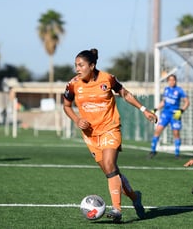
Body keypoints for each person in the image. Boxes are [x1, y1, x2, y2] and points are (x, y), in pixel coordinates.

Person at [63, 48, 158, 223]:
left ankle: (117, 210)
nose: (77, 68)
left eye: (81, 65)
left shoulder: (107, 78)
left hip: (110, 127)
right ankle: (134, 196)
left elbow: (125, 94)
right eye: (76, 65)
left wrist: (144, 110)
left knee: (110, 164)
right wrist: (77, 120)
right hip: (90, 135)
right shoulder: (73, 84)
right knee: (111, 172)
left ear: (92, 66)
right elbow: (66, 106)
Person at [149, 74, 189, 158]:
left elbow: (187, 102)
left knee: (176, 133)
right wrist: (155, 109)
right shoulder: (166, 90)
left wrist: (181, 111)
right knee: (157, 130)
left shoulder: (179, 90)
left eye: (173, 80)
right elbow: (163, 102)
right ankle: (153, 151)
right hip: (165, 114)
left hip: (175, 115)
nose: (172, 82)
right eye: (170, 80)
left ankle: (177, 154)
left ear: (176, 81)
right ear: (168, 81)